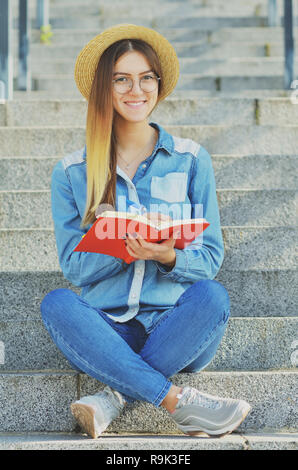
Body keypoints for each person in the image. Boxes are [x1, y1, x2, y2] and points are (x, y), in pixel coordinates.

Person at [40, 24, 251, 439]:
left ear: (158, 84)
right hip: (107, 326)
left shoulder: (191, 159)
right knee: (57, 305)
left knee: (214, 297)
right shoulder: (71, 172)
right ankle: (175, 401)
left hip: (176, 325)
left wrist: (166, 256)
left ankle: (114, 396)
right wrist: (121, 247)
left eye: (145, 78)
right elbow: (74, 269)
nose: (135, 90)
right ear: (105, 86)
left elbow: (210, 258)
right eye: (121, 78)